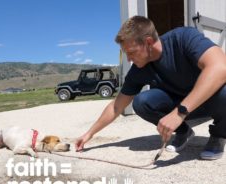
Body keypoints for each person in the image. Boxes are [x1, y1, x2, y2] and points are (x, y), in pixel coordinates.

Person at [75, 15, 226, 160]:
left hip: (209, 103)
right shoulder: (138, 70)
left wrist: (179, 113)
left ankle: (219, 135)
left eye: (131, 52)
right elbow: (116, 106)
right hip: (182, 108)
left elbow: (221, 67)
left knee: (223, 89)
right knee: (141, 102)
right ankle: (183, 132)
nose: (129, 59)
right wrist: (89, 134)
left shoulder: (183, 38)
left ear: (148, 42)